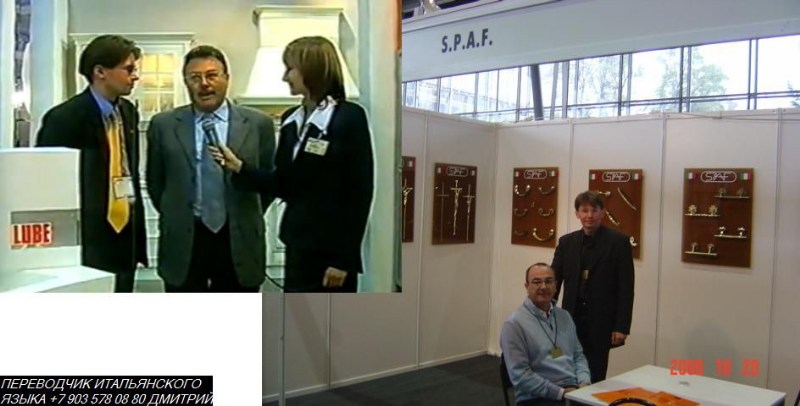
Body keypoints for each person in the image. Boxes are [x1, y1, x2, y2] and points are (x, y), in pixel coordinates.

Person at [210, 36, 374, 293]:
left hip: (331, 252)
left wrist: (343, 260)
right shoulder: (291, 120)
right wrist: (239, 167)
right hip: (297, 243)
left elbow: (359, 194)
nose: (285, 77)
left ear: (312, 70)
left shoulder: (349, 117)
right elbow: (284, 184)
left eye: (290, 69)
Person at [145, 45, 275, 292]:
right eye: (195, 78)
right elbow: (156, 182)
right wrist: (177, 213)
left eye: (212, 75)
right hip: (186, 238)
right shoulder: (164, 125)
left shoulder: (258, 124)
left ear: (227, 78)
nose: (204, 84)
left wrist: (243, 213)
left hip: (238, 238)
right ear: (186, 83)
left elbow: (268, 182)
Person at [36, 34, 147, 293]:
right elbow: (48, 187)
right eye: (128, 69)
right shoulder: (63, 119)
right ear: (100, 72)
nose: (135, 76)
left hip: (125, 235)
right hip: (86, 240)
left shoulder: (128, 112)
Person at [551, 191, 635, 383]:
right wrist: (547, 316)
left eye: (594, 210)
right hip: (570, 318)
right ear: (577, 213)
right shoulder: (566, 242)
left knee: (595, 374)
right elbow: (554, 281)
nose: (589, 215)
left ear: (602, 213)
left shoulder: (619, 242)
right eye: (584, 210)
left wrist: (621, 326)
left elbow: (626, 288)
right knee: (565, 368)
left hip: (601, 322)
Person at [500, 263, 591, 405]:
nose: (543, 286)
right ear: (527, 286)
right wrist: (560, 393)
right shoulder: (514, 325)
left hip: (573, 391)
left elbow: (578, 356)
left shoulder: (564, 316)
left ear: (555, 285)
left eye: (549, 281)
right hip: (537, 397)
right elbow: (520, 375)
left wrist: (584, 383)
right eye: (537, 282)